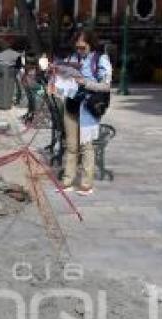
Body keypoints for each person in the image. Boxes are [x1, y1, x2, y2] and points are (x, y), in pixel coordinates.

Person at [58, 30, 112, 196]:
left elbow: (106, 86)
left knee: (86, 147)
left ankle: (86, 184)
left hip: (88, 107)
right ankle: (67, 181)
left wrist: (85, 82)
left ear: (91, 45)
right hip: (71, 104)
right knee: (71, 146)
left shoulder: (100, 59)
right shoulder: (73, 59)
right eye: (77, 47)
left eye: (83, 47)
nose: (79, 51)